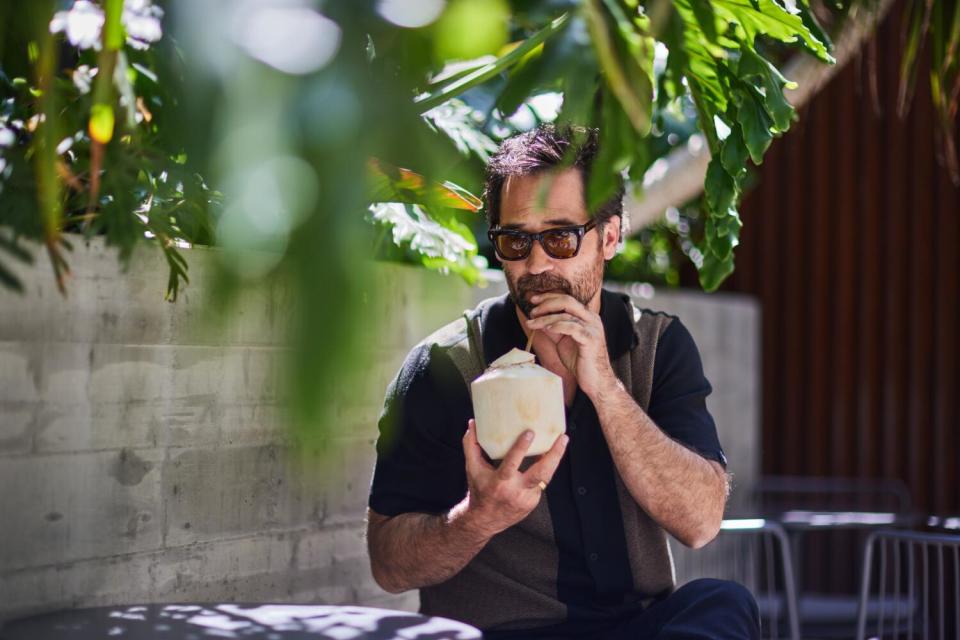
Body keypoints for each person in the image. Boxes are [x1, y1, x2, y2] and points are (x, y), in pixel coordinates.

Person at [366, 125, 760, 639]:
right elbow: (388, 564)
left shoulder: (659, 346)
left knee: (723, 602)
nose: (536, 264)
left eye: (559, 237)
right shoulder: (445, 365)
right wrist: (479, 516)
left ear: (610, 237)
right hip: (506, 631)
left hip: (637, 626)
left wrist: (606, 389)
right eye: (515, 240)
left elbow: (701, 522)